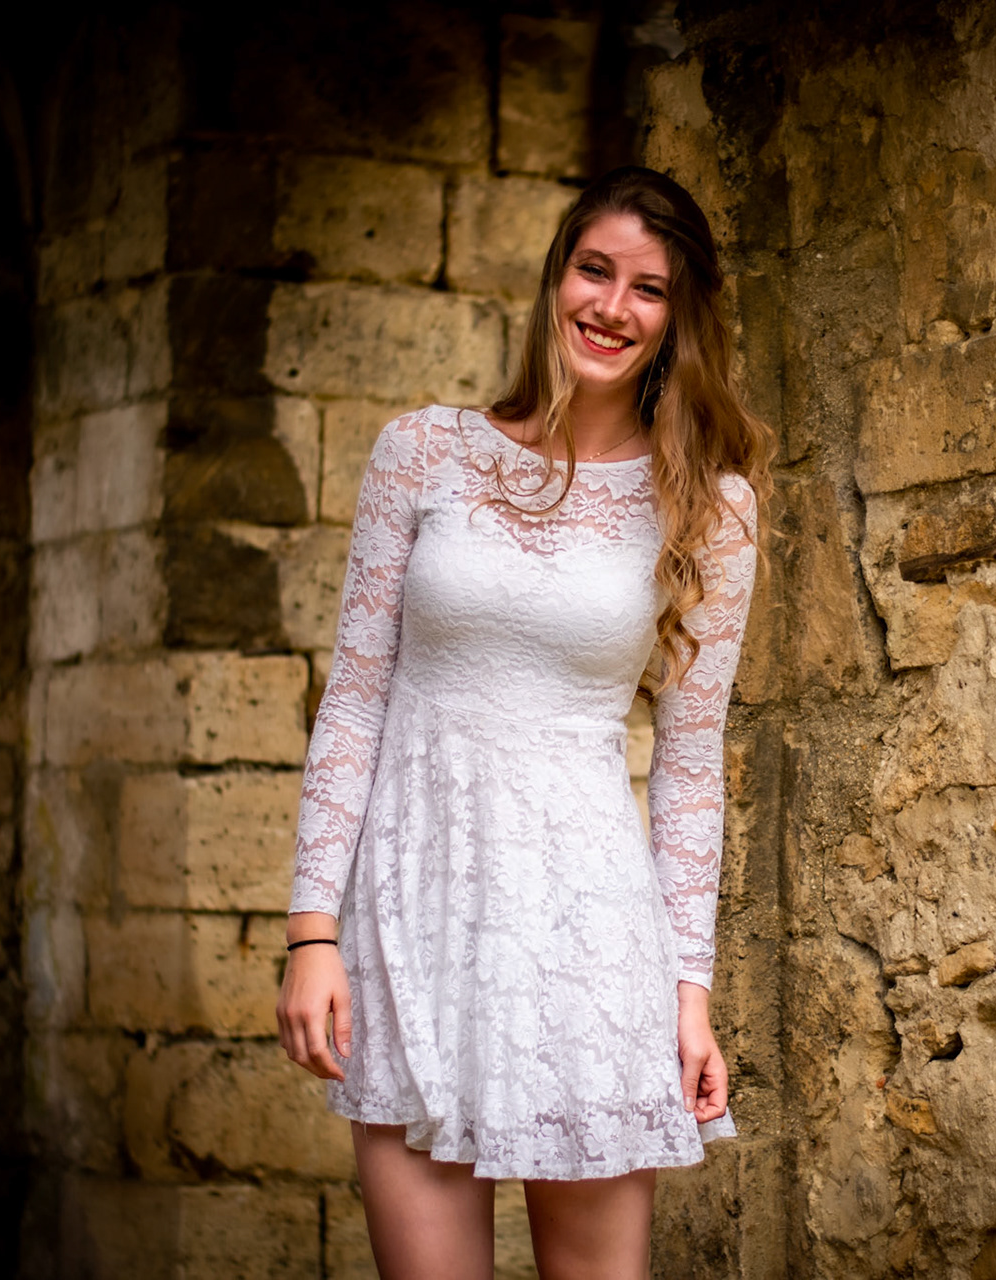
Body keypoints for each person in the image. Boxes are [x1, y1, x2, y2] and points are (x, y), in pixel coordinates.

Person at [275, 166, 773, 1279]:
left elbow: (691, 766)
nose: (613, 306)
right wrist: (313, 932)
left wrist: (688, 993)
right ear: (556, 278)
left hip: (590, 940)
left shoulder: (712, 508)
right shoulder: (422, 451)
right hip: (412, 920)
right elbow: (354, 698)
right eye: (595, 270)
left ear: (679, 318)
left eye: (649, 288)